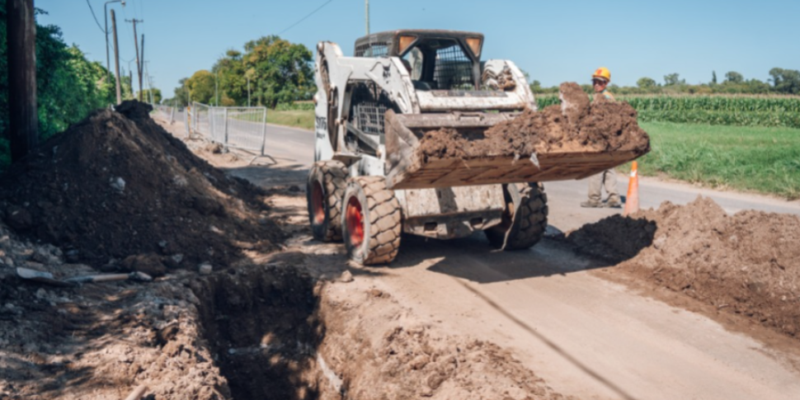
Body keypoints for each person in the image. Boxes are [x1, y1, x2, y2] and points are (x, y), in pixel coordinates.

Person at [581, 67, 621, 208]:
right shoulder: (605, 97)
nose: (597, 84)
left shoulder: (605, 98)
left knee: (596, 168)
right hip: (608, 139)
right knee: (608, 168)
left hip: (601, 138)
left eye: (600, 82)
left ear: (606, 83)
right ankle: (614, 198)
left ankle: (594, 199)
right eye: (595, 81)